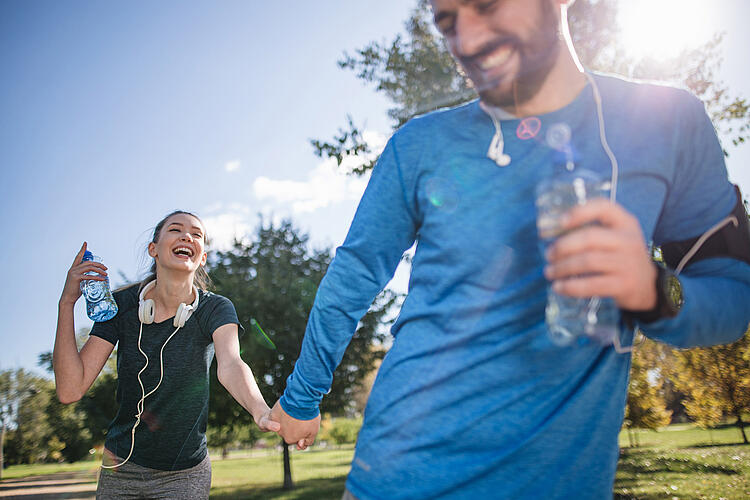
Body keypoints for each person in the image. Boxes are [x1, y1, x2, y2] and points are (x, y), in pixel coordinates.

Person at [270, 0, 750, 499]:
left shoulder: (669, 122)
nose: (469, 40)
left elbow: (733, 293)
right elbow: (351, 279)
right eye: (448, 20)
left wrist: (653, 290)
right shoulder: (417, 145)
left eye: (487, 5)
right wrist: (302, 397)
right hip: (397, 476)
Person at [54, 210, 280, 499]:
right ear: (154, 249)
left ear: (202, 257)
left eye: (196, 234)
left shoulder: (215, 309)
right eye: (175, 230)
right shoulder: (121, 306)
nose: (187, 236)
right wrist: (66, 303)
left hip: (185, 473)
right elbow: (70, 389)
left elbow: (232, 364)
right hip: (120, 468)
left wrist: (259, 410)